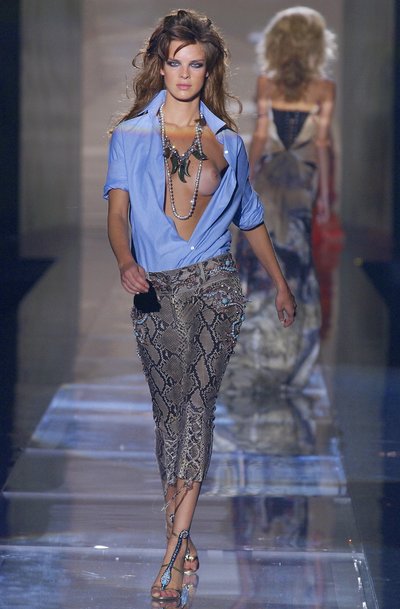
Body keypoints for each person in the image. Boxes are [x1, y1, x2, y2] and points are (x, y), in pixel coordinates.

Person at [103, 9, 295, 604]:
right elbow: (117, 214)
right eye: (175, 62)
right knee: (168, 416)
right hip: (155, 287)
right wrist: (125, 261)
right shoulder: (130, 137)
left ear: (208, 71)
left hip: (215, 285)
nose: (185, 73)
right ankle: (182, 540)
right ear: (160, 67)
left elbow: (250, 218)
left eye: (196, 64)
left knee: (197, 408)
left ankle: (173, 547)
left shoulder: (227, 142)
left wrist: (280, 283)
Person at [230, 7, 336, 391]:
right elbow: (320, 145)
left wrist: (245, 180)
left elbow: (261, 136)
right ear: (315, 45)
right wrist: (324, 196)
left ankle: (255, 350)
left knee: (258, 259)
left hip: (270, 180)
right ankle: (290, 356)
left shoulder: (266, 84)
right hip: (300, 185)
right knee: (297, 263)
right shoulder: (324, 89)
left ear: (276, 44)